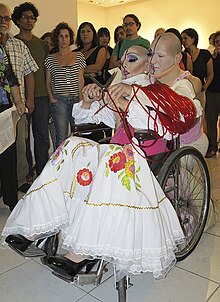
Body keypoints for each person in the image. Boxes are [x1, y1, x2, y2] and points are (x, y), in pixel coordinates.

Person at [2, 33, 199, 282]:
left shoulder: (158, 91)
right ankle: (33, 226)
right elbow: (93, 120)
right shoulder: (122, 88)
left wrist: (132, 98)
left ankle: (81, 253)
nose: (124, 65)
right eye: (124, 60)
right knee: (70, 146)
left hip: (143, 157)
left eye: (132, 59)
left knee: (115, 158)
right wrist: (87, 100)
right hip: (116, 153)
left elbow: (168, 123)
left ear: (148, 62)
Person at [0, 3, 38, 193]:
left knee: (20, 143)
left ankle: (21, 179)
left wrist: (29, 99)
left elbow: (29, 73)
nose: (3, 22)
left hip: (17, 105)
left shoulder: (19, 45)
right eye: (0, 18)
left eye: (5, 18)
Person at [12, 2, 50, 179]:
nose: (30, 21)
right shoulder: (12, 43)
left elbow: (46, 71)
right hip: (19, 98)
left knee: (41, 136)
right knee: (22, 139)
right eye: (26, 17)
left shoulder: (42, 44)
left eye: (32, 18)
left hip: (42, 96)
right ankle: (26, 173)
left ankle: (42, 173)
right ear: (18, 20)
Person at [45, 22, 86, 148]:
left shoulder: (79, 56)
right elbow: (48, 81)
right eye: (61, 36)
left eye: (66, 36)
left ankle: (79, 164)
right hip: (59, 101)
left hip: (75, 99)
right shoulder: (50, 59)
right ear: (57, 38)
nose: (64, 39)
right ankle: (60, 165)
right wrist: (52, 98)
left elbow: (80, 79)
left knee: (78, 134)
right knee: (61, 137)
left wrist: (81, 100)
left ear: (70, 38)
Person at [0, 44, 26, 211]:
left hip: (3, 106)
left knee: (8, 154)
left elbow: (10, 76)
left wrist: (18, 102)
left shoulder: (1, 48)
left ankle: (11, 199)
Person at [181, 28, 214, 110]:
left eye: (185, 38)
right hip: (186, 90)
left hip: (201, 89)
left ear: (193, 38)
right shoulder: (182, 56)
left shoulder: (205, 54)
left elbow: (210, 73)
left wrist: (205, 87)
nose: (183, 41)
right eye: (182, 39)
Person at [205, 31, 220, 158]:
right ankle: (212, 146)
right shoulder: (211, 56)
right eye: (216, 42)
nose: (218, 44)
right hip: (212, 92)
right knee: (211, 121)